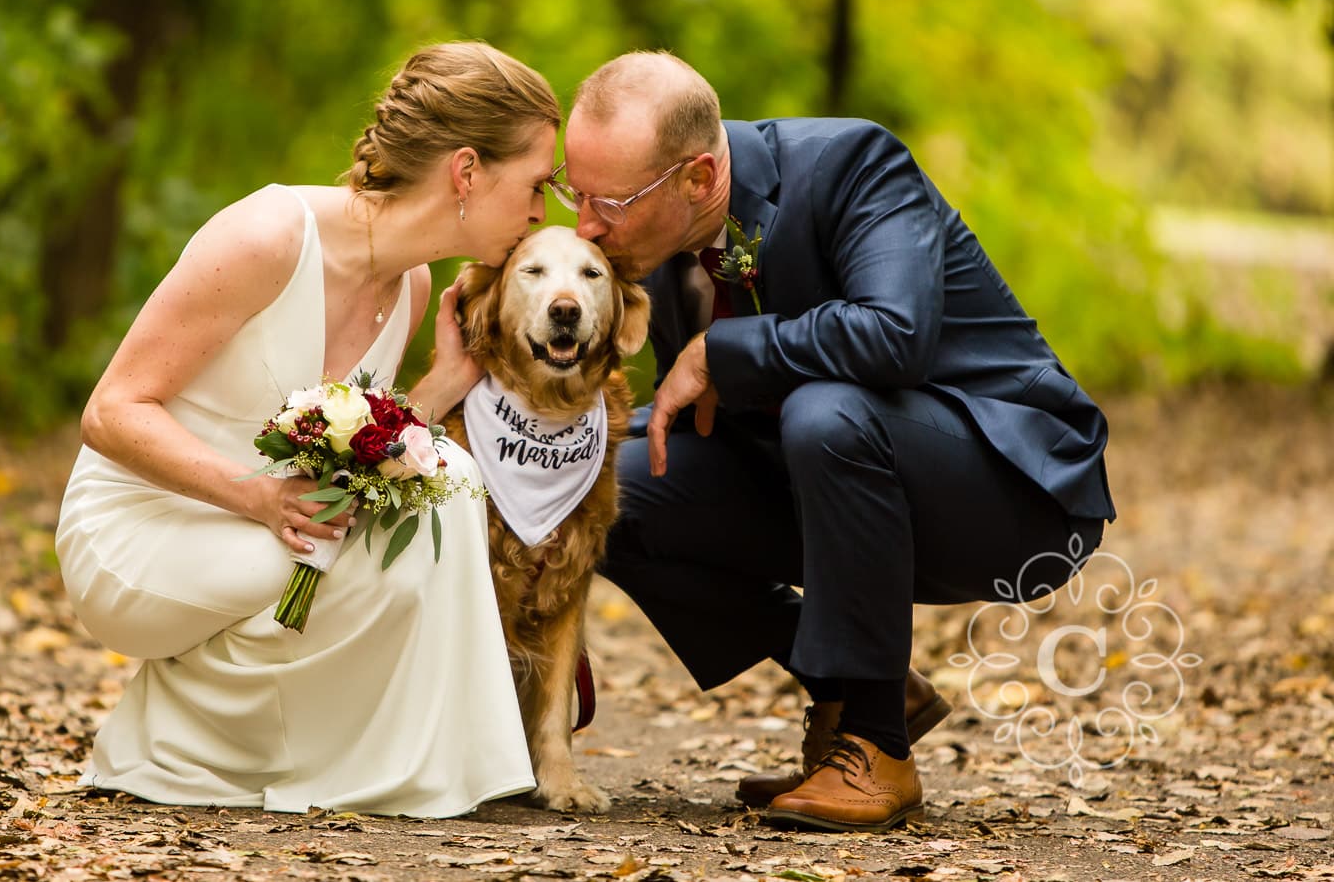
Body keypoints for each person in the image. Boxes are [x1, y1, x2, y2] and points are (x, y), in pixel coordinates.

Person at [555, 52, 1115, 832]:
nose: (586, 224)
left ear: (697, 176)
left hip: (1010, 483)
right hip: (826, 473)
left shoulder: (853, 163)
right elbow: (699, 415)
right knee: (597, 491)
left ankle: (879, 745)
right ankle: (858, 689)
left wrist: (724, 349)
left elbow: (898, 335)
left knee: (826, 410)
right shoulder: (663, 242)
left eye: (609, 200)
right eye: (572, 191)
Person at [55, 42, 562, 815]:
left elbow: (354, 468)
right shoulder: (268, 237)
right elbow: (110, 411)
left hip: (274, 528)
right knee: (377, 527)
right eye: (534, 185)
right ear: (466, 172)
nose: (541, 212)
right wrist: (255, 496)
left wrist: (442, 385)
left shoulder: (411, 287)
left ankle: (380, 757)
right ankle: (169, 743)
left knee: (445, 482)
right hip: (140, 528)